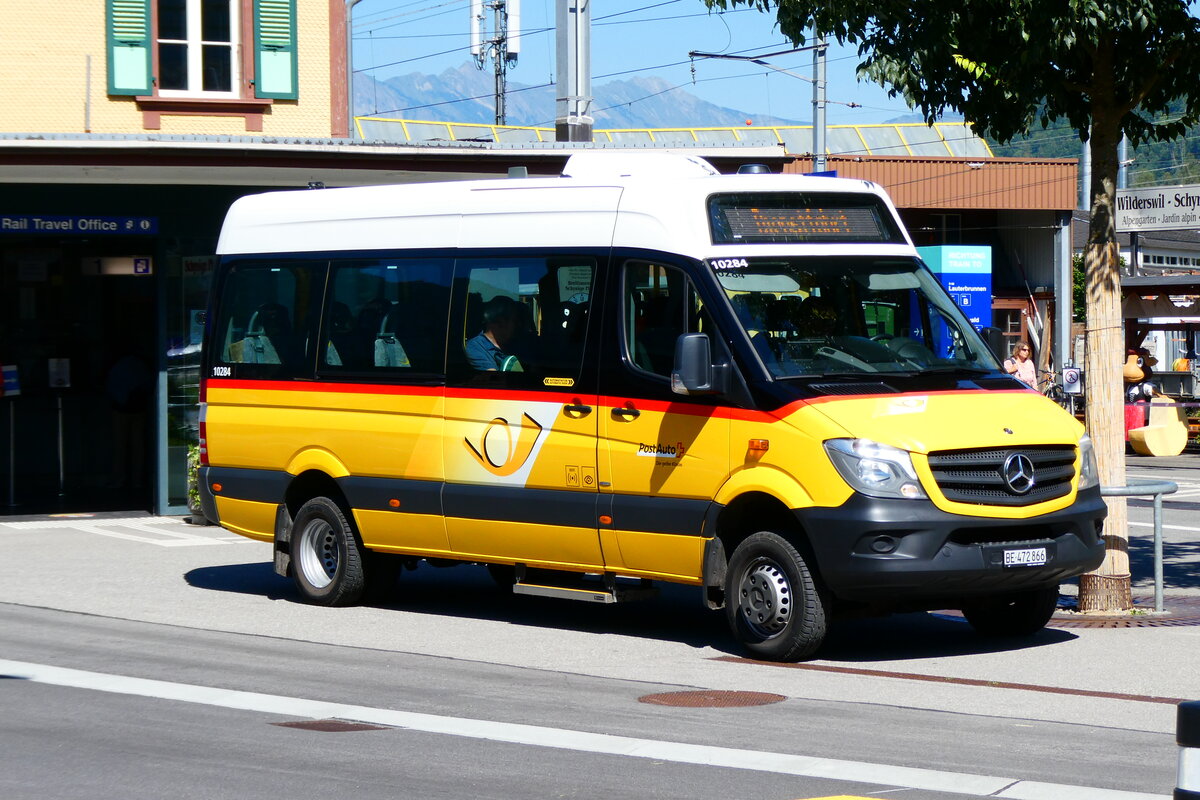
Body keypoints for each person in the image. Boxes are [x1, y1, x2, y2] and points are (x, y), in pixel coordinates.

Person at [465, 296, 522, 371]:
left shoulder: (515, 345)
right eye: (514, 321)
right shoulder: (474, 348)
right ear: (501, 322)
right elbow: (494, 379)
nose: (518, 326)